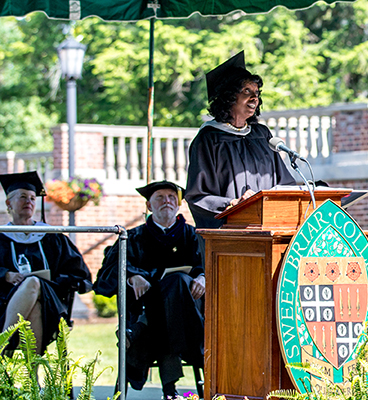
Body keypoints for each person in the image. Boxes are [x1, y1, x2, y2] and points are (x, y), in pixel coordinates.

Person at [94, 181, 204, 399]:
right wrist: (131, 276)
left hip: (185, 314)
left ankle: (142, 327)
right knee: (178, 284)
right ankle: (170, 390)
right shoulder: (132, 238)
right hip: (180, 325)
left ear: (179, 204)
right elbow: (104, 279)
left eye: (172, 197)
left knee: (179, 281)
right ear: (149, 205)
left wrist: (203, 277)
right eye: (160, 198)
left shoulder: (194, 236)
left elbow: (210, 266)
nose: (167, 202)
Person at [186, 50, 296, 229]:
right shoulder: (209, 139)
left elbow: (284, 184)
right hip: (231, 234)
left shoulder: (262, 135)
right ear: (229, 97)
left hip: (268, 229)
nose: (255, 98)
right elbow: (198, 196)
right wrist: (232, 204)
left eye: (257, 92)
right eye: (247, 91)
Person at [0, 171, 91, 355]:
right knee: (34, 304)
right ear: (8, 203)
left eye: (33, 198)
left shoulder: (52, 237)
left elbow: (80, 275)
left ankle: (2, 343)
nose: (29, 202)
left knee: (34, 283)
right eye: (23, 197)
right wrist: (5, 274)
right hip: (4, 304)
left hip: (52, 307)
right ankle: (33, 380)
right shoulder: (1, 237)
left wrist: (51, 282)